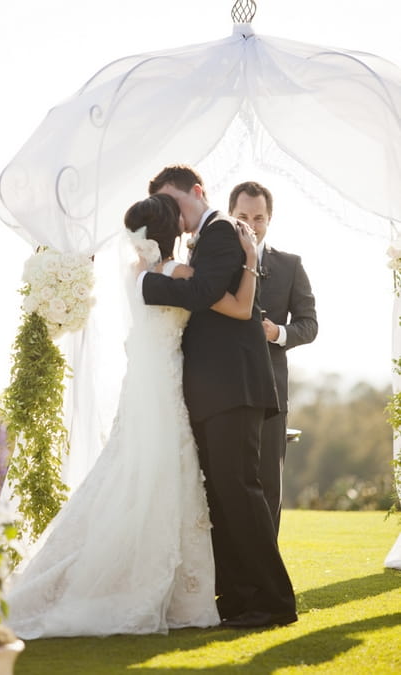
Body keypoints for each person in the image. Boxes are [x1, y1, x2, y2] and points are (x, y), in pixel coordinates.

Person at [5, 193, 258, 638]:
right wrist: (250, 259)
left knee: (137, 471)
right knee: (164, 474)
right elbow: (234, 305)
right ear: (168, 230)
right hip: (163, 382)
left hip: (146, 379)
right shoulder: (178, 273)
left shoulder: (135, 274)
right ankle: (170, 591)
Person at [142, 165, 297, 629]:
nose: (175, 214)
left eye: (176, 203)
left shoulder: (222, 230)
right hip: (214, 389)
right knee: (226, 500)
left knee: (242, 494)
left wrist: (146, 283)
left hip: (234, 387)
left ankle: (272, 602)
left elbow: (209, 292)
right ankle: (237, 601)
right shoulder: (207, 238)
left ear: (198, 192)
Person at [229, 181, 318, 534]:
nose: (251, 224)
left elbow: (309, 324)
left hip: (272, 391)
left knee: (268, 487)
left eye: (259, 217)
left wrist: (278, 332)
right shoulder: (213, 260)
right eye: (242, 216)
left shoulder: (291, 264)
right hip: (223, 390)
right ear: (230, 214)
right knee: (226, 485)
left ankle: (267, 578)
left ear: (270, 218)